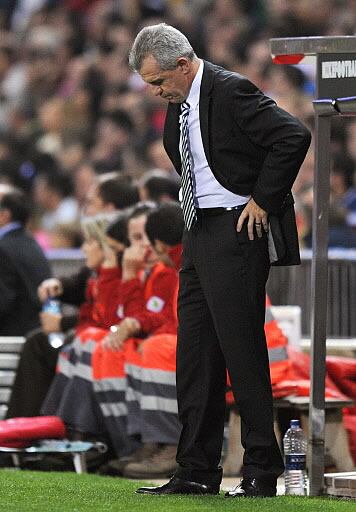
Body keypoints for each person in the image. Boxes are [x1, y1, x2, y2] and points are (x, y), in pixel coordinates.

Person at [128, 23, 311, 497]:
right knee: (195, 357)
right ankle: (195, 469)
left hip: (236, 226)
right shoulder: (181, 101)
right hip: (199, 230)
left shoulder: (231, 91)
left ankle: (261, 471)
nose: (156, 92)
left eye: (158, 81)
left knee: (241, 353)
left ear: (184, 65)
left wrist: (263, 200)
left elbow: (292, 135)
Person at [0, 188, 52, 336]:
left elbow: (3, 301)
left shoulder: (3, 249)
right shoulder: (31, 243)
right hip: (34, 332)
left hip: (11, 339)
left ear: (4, 215)